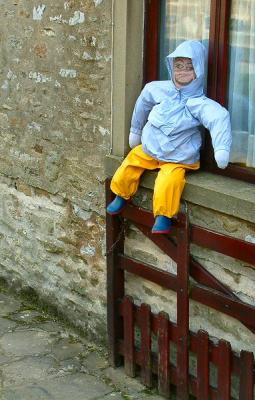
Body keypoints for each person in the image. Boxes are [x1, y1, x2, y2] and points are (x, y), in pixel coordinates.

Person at [106, 40, 232, 234]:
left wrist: (221, 149)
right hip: (151, 148)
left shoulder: (199, 103)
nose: (182, 72)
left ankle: (163, 216)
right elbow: (142, 105)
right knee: (131, 161)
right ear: (171, 66)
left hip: (178, 156)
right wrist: (135, 131)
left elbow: (218, 117)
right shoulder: (158, 89)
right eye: (178, 66)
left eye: (189, 68)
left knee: (169, 180)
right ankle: (121, 194)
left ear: (198, 70)